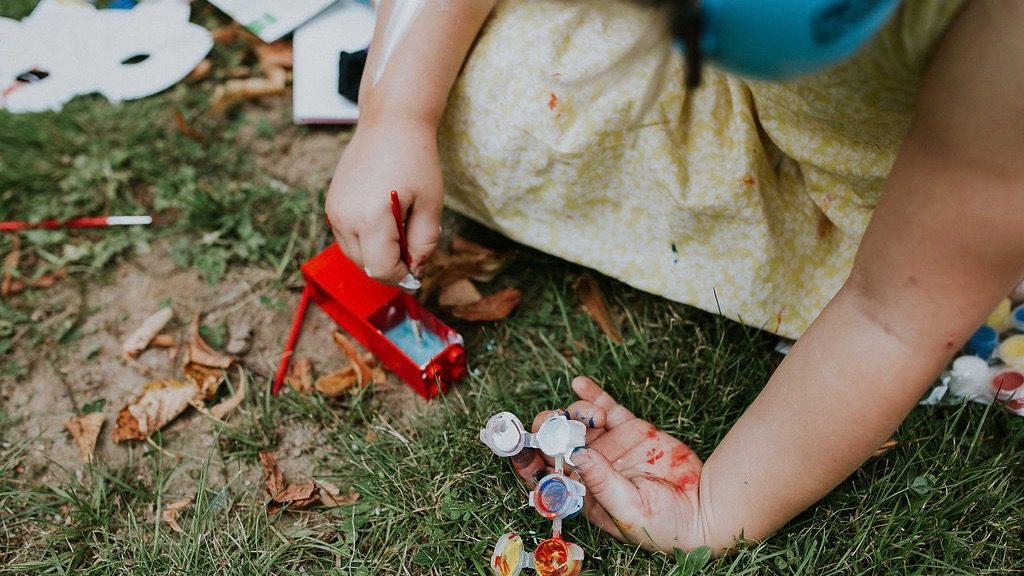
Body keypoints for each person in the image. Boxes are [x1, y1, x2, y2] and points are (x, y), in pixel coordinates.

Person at [325, 0, 1024, 554]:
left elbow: (892, 316)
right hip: (742, 106)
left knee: (941, 290)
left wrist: (715, 508)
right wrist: (396, 117)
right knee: (474, 113)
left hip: (914, 199)